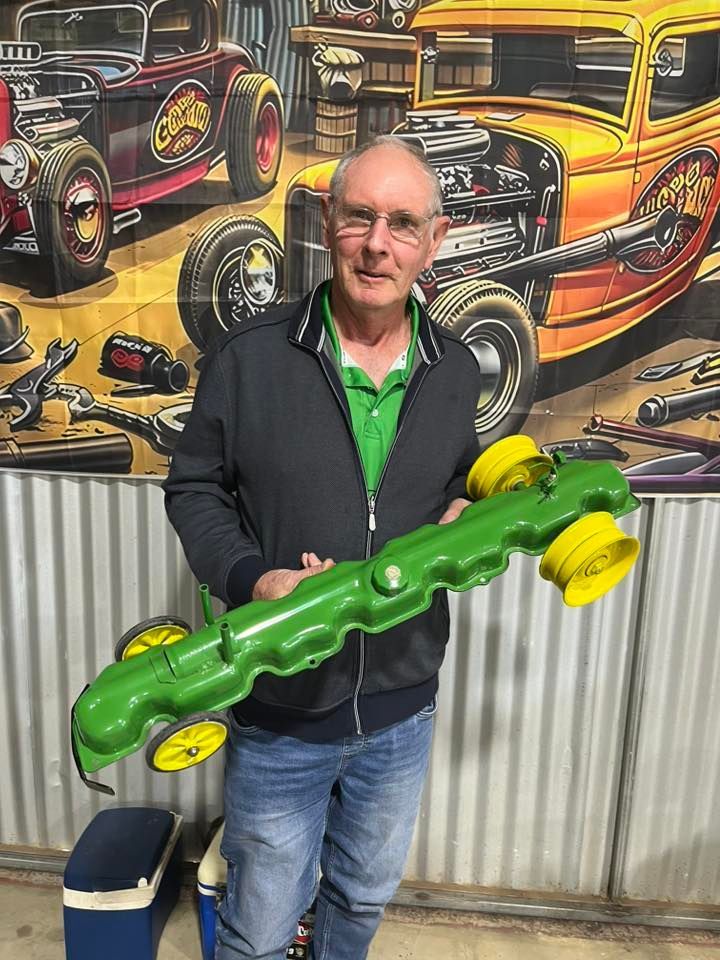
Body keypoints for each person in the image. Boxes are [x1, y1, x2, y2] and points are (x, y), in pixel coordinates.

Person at [163, 135, 481, 960]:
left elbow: (459, 480)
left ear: (433, 241)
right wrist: (248, 577)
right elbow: (194, 486)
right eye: (360, 218)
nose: (379, 244)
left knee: (361, 899)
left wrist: (465, 507)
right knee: (261, 925)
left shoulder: (455, 371)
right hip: (283, 712)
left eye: (403, 223)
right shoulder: (251, 359)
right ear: (328, 223)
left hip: (403, 705)